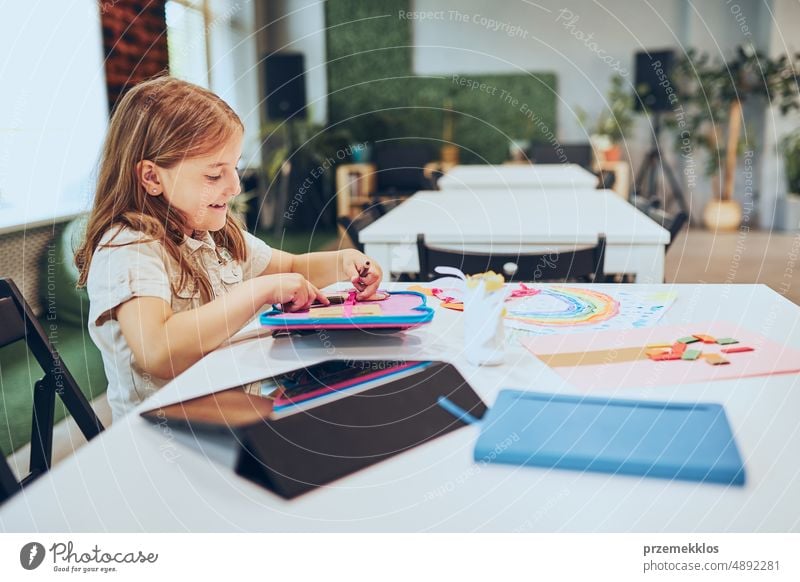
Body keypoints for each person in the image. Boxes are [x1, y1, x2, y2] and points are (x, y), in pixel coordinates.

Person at [75, 76, 382, 421]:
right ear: (151, 177)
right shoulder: (129, 247)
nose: (234, 186)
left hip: (232, 414)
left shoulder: (210, 232)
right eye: (213, 175)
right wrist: (259, 291)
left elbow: (293, 267)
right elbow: (158, 350)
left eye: (233, 168)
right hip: (164, 438)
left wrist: (346, 262)